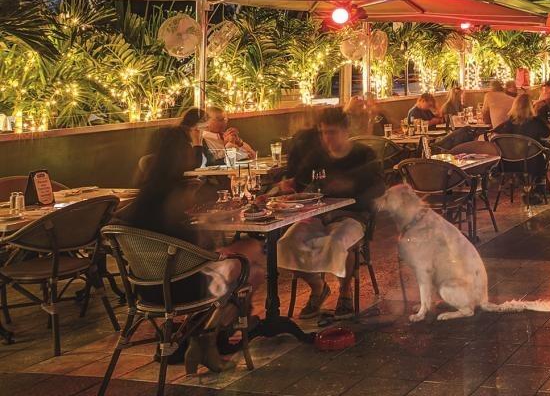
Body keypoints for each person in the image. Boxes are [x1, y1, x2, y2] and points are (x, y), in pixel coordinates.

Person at [116, 127, 262, 374]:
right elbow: (198, 243)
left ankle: (204, 337)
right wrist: (213, 228)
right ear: (179, 153)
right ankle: (206, 336)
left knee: (245, 260)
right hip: (183, 283)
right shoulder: (177, 195)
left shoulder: (144, 195)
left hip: (147, 287)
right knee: (253, 263)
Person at [278, 107, 385, 320]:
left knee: (337, 242)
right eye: (324, 132)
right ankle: (318, 287)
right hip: (318, 215)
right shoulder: (317, 156)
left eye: (332, 132)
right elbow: (300, 182)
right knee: (286, 243)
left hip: (353, 215)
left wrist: (351, 186)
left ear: (346, 131)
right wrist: (288, 185)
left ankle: (345, 292)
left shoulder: (363, 155)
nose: (327, 138)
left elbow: (379, 189)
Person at [495, 94, 550, 197]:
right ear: (531, 106)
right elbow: (547, 133)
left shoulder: (508, 124)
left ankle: (542, 186)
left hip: (509, 164)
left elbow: (496, 133)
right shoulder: (535, 122)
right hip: (532, 162)